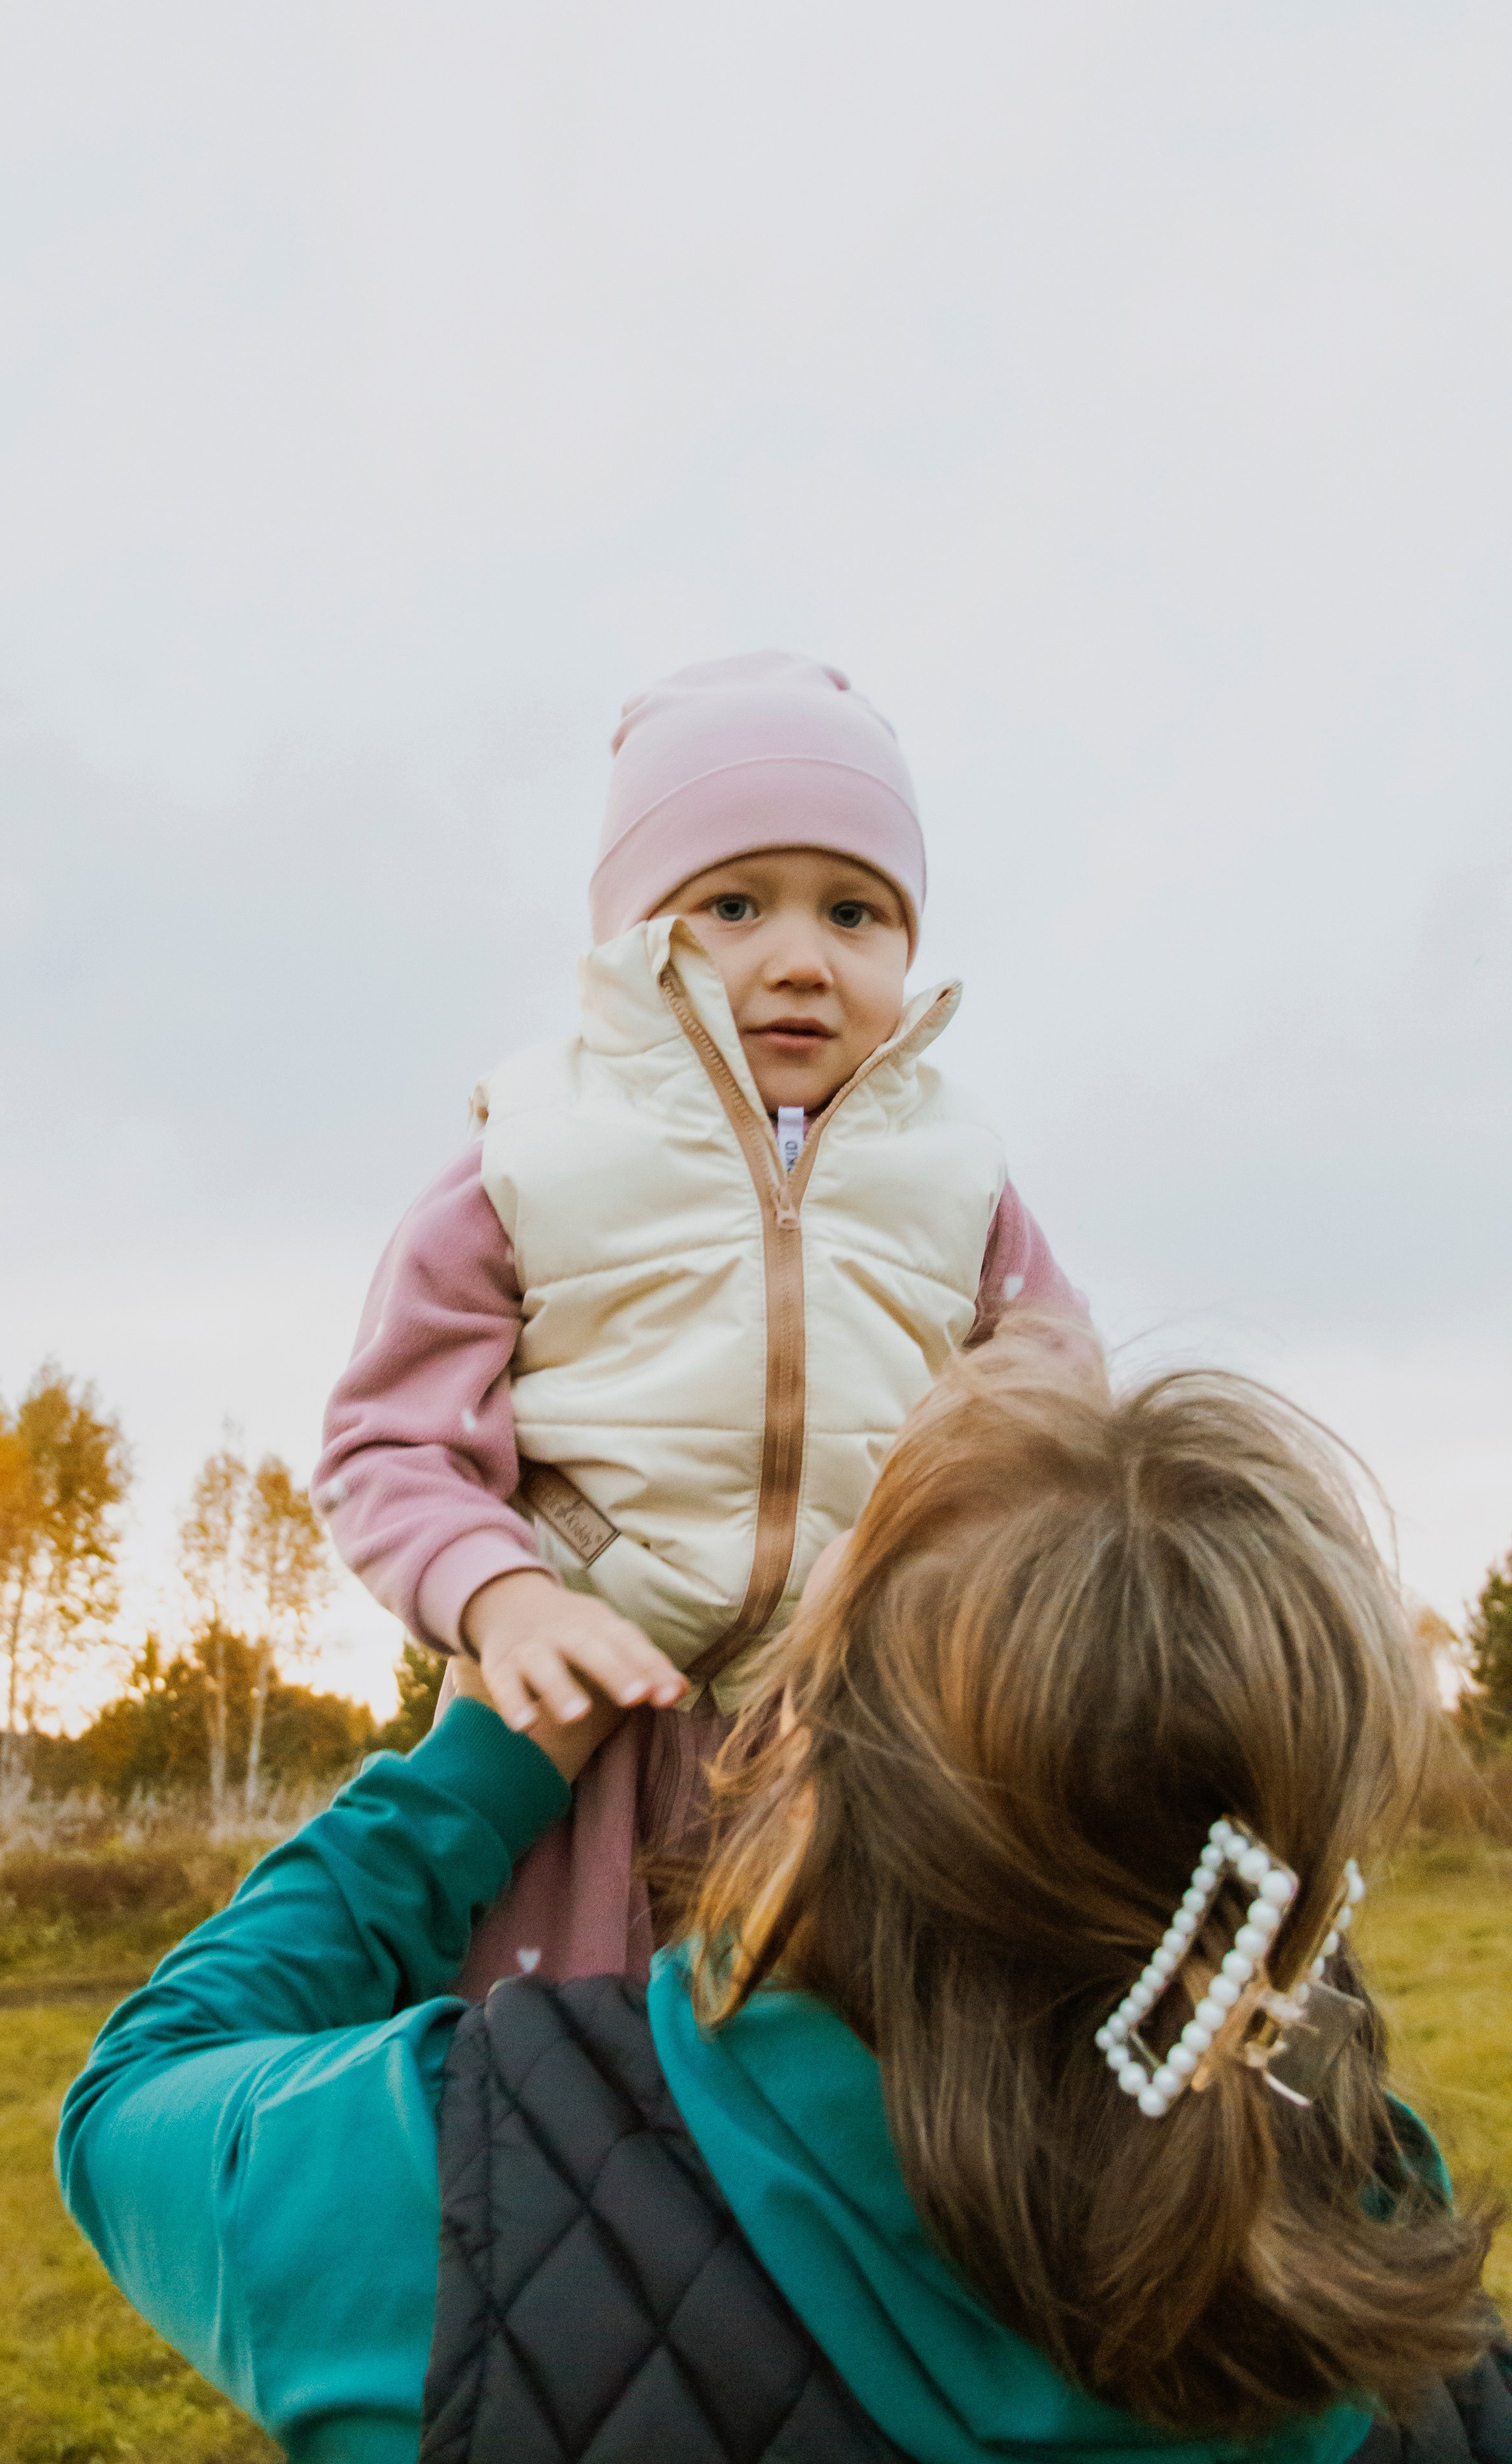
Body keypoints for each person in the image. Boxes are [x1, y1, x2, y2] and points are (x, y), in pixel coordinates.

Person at [61, 1332, 1507, 2464]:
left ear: (804, 1766)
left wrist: (473, 1776)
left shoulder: (478, 2206)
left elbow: (136, 2100)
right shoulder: (1419, 2324)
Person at [312, 651, 1087, 1989]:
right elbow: (389, 1445)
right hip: (586, 1725)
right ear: (633, 933)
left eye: (854, 914)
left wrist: (975, 1590)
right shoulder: (533, 1154)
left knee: (853, 2083)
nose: (800, 958)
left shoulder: (953, 1176)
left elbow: (1059, 1415)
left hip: (856, 1734)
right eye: (733, 905)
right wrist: (497, 1601)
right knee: (574, 2090)